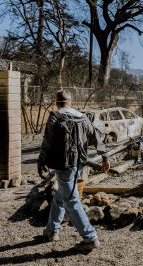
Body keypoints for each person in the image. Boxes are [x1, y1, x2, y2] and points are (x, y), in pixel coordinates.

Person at [38, 90, 110, 251]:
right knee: (60, 196)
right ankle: (51, 231)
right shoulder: (82, 117)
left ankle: (90, 237)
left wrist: (41, 161)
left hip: (63, 166)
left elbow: (47, 142)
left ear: (57, 102)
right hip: (79, 165)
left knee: (71, 200)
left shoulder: (55, 117)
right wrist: (105, 157)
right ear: (71, 102)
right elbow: (96, 138)